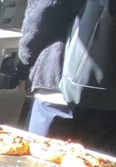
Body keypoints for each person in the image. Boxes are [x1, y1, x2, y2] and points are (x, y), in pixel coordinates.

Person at [18, 0, 116, 155]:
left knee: (40, 160)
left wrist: (26, 59)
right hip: (109, 103)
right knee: (97, 166)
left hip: (57, 81)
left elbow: (44, 11)